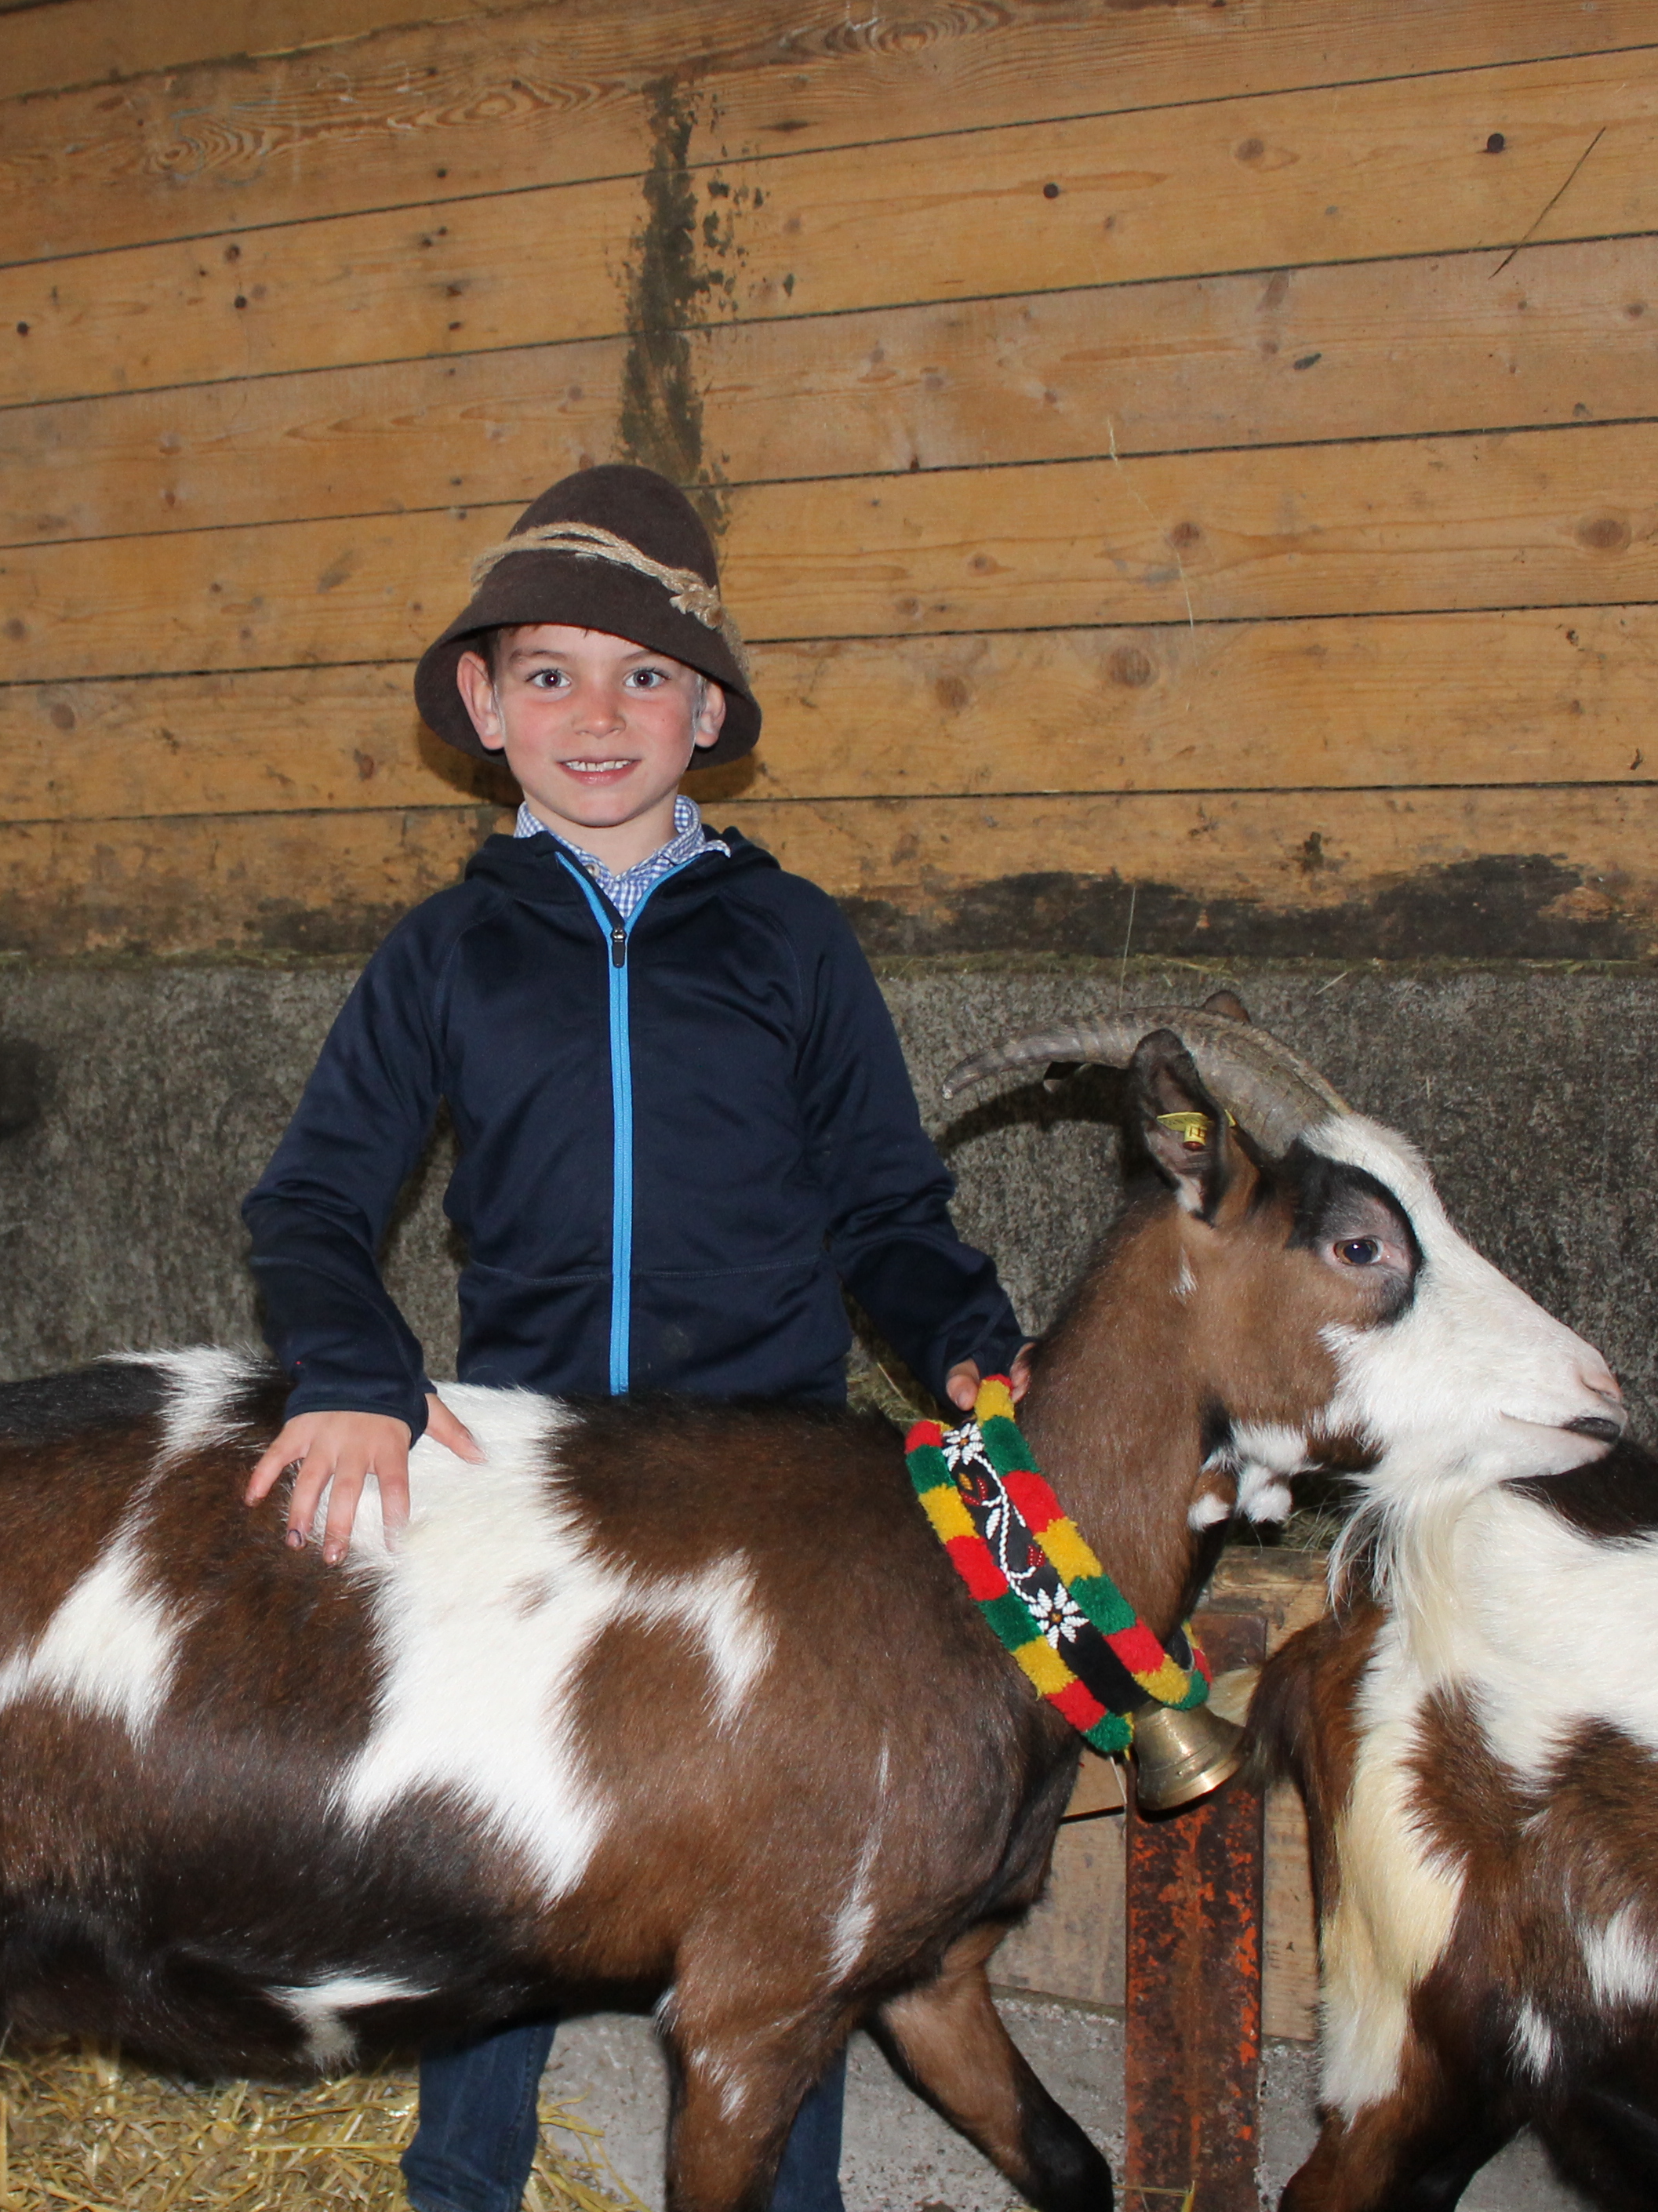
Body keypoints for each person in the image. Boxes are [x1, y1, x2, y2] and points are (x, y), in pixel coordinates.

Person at [238, 464, 1028, 2212]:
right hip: (541, 1481)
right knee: (502, 1836)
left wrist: (972, 1343)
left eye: (644, 676)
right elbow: (309, 1202)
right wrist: (356, 1377)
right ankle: (464, 2179)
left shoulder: (792, 941)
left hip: (766, 1492)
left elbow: (885, 1207)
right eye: (551, 675)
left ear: (708, 711)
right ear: (484, 704)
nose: (597, 717)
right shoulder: (445, 953)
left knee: (791, 1864)